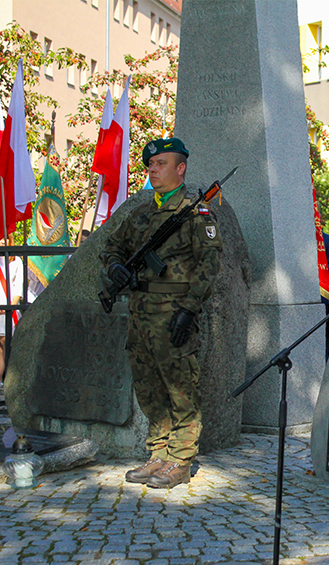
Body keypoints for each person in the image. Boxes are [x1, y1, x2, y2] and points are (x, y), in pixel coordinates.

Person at [99, 137, 222, 489]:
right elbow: (111, 247)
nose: (153, 170)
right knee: (149, 385)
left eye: (161, 164)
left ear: (180, 169)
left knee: (181, 386)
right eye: (150, 165)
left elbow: (209, 265)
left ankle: (181, 459)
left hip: (173, 313)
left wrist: (188, 309)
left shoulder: (197, 213)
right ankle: (159, 454)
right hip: (140, 313)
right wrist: (116, 268)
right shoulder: (141, 213)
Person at [0, 235, 23, 389]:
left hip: (11, 306)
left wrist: (12, 305)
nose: (3, 241)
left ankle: (9, 377)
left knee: (9, 342)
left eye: (6, 238)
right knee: (1, 342)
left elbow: (18, 284)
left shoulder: (16, 261)